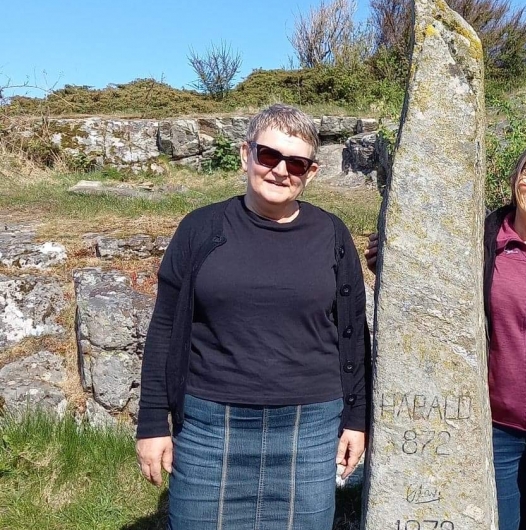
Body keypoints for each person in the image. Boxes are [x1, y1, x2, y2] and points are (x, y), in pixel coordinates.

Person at [135, 103, 370, 528]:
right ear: (246, 155)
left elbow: (354, 332)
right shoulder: (200, 229)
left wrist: (356, 420)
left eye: (296, 163)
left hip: (311, 427)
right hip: (209, 427)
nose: (281, 170)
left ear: (311, 173)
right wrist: (152, 422)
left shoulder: (332, 234)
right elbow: (165, 328)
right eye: (269, 156)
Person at [366, 136, 526, 529]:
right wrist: (395, 255)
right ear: (516, 177)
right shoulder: (481, 240)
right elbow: (430, 260)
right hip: (491, 426)